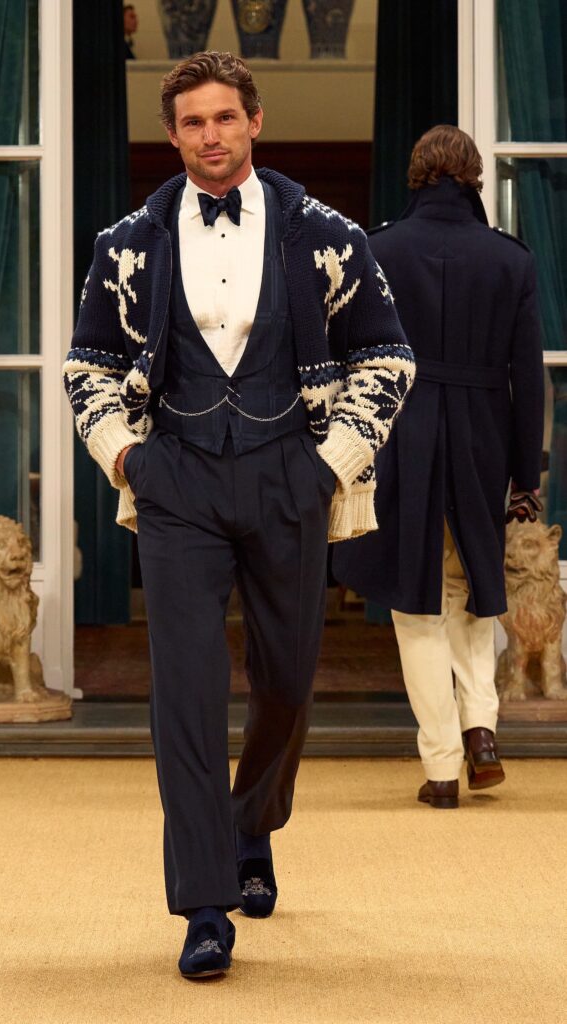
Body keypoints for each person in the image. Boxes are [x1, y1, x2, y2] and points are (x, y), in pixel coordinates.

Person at [63, 51, 414, 978]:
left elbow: (387, 356)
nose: (209, 136)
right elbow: (87, 366)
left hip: (287, 477)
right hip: (175, 483)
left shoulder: (326, 234)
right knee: (183, 691)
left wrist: (328, 465)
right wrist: (126, 455)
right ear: (171, 134)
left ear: (254, 121)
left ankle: (251, 823)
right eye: (192, 122)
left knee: (286, 680)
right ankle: (204, 904)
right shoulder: (126, 243)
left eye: (224, 118)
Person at [334, 125, 544, 810]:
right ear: (474, 175)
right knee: (471, 585)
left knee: (415, 597)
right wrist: (527, 476)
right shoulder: (509, 258)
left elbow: (352, 363)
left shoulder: (377, 248)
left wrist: (343, 451)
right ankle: (480, 729)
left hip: (402, 433)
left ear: (416, 174)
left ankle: (442, 767)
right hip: (483, 439)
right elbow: (527, 378)